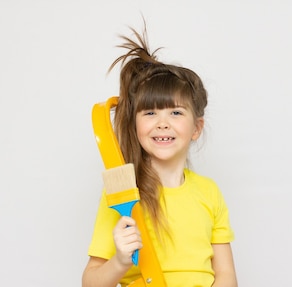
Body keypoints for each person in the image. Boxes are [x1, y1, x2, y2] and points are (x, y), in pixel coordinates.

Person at [82, 24, 237, 287]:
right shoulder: (121, 193)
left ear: (196, 128)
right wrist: (120, 260)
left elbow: (226, 275)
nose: (162, 123)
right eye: (150, 113)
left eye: (175, 113)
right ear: (135, 125)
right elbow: (90, 282)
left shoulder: (209, 192)